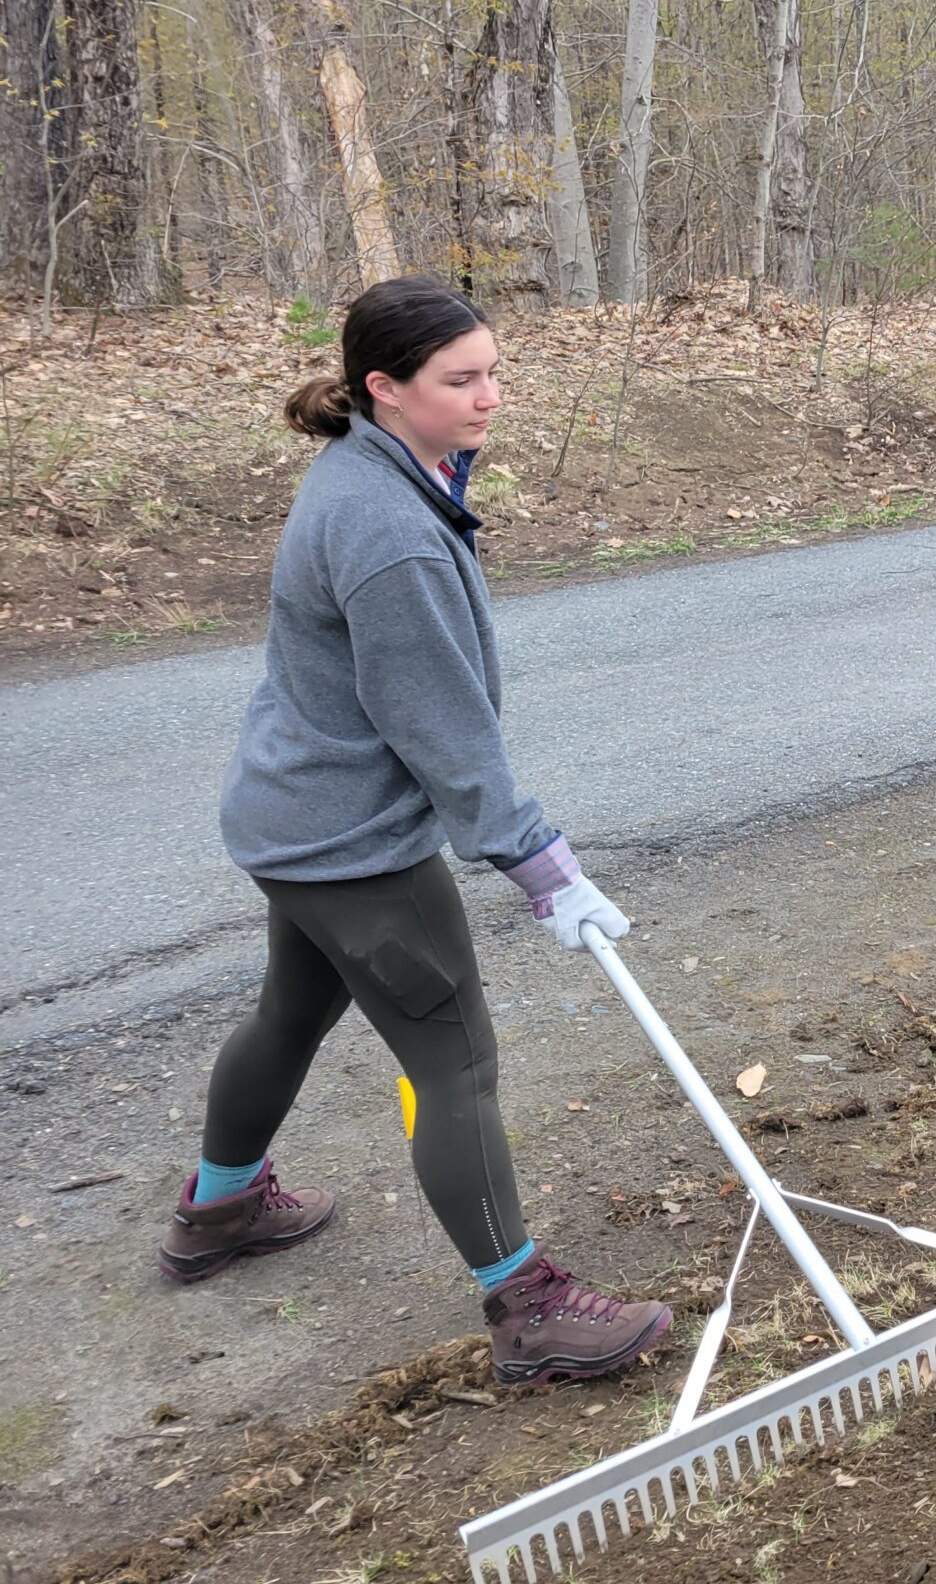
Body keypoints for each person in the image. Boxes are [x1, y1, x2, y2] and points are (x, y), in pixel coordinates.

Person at [161, 274, 673, 1387]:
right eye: (462, 380)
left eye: (494, 372)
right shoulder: (387, 528)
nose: (490, 397)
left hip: (292, 817)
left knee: (293, 1010)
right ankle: (527, 1309)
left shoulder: (373, 467)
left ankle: (219, 1208)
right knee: (456, 1062)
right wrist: (542, 867)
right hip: (352, 845)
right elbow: (441, 725)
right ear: (384, 387)